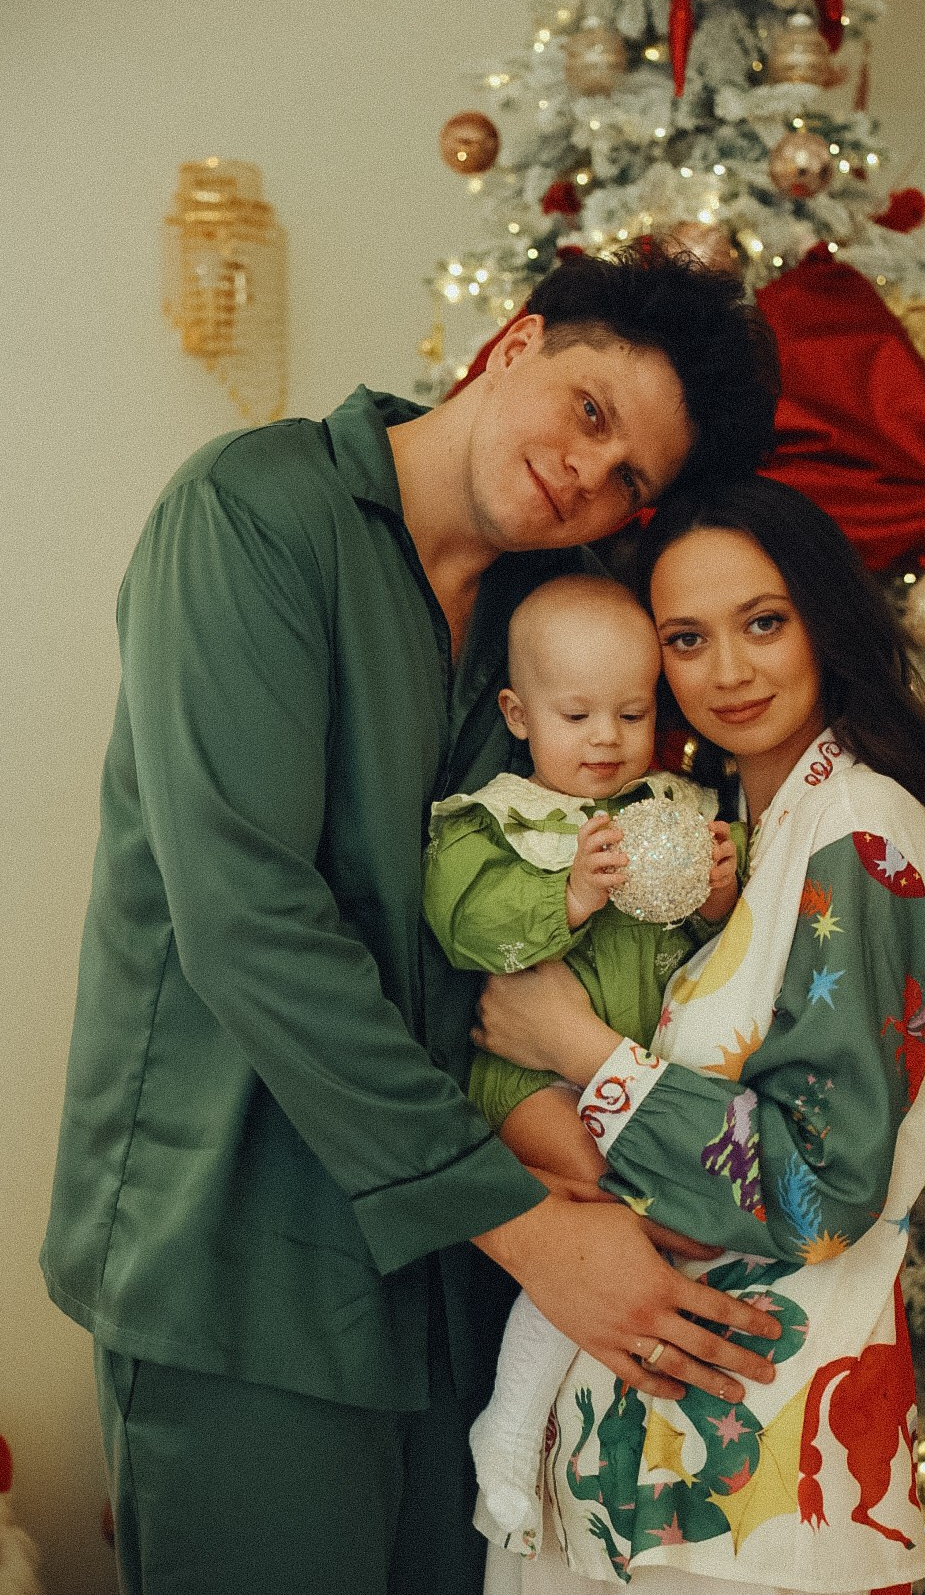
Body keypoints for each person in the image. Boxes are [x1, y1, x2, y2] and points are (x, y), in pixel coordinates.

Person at [39, 244, 784, 1595]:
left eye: (630, 479)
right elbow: (251, 923)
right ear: (517, 341)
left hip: (458, 1294)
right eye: (591, 410)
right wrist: (531, 1226)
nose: (589, 472)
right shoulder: (253, 514)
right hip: (242, 1264)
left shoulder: (546, 619)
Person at [473, 477, 925, 1595]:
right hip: (640, 1468)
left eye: (763, 622)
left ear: (824, 620)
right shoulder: (735, 837)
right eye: (687, 638)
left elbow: (820, 1184)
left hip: (749, 1490)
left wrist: (579, 1049)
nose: (727, 670)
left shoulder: (861, 828)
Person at [422, 573, 744, 1540]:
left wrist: (717, 893)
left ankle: (545, 1417)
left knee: (634, 1222)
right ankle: (512, 1423)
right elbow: (464, 925)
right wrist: (568, 898)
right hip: (528, 1077)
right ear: (518, 714)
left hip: (636, 1078)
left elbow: (717, 942)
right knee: (614, 1213)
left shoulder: (671, 807)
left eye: (631, 713)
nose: (606, 738)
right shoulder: (495, 819)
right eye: (577, 715)